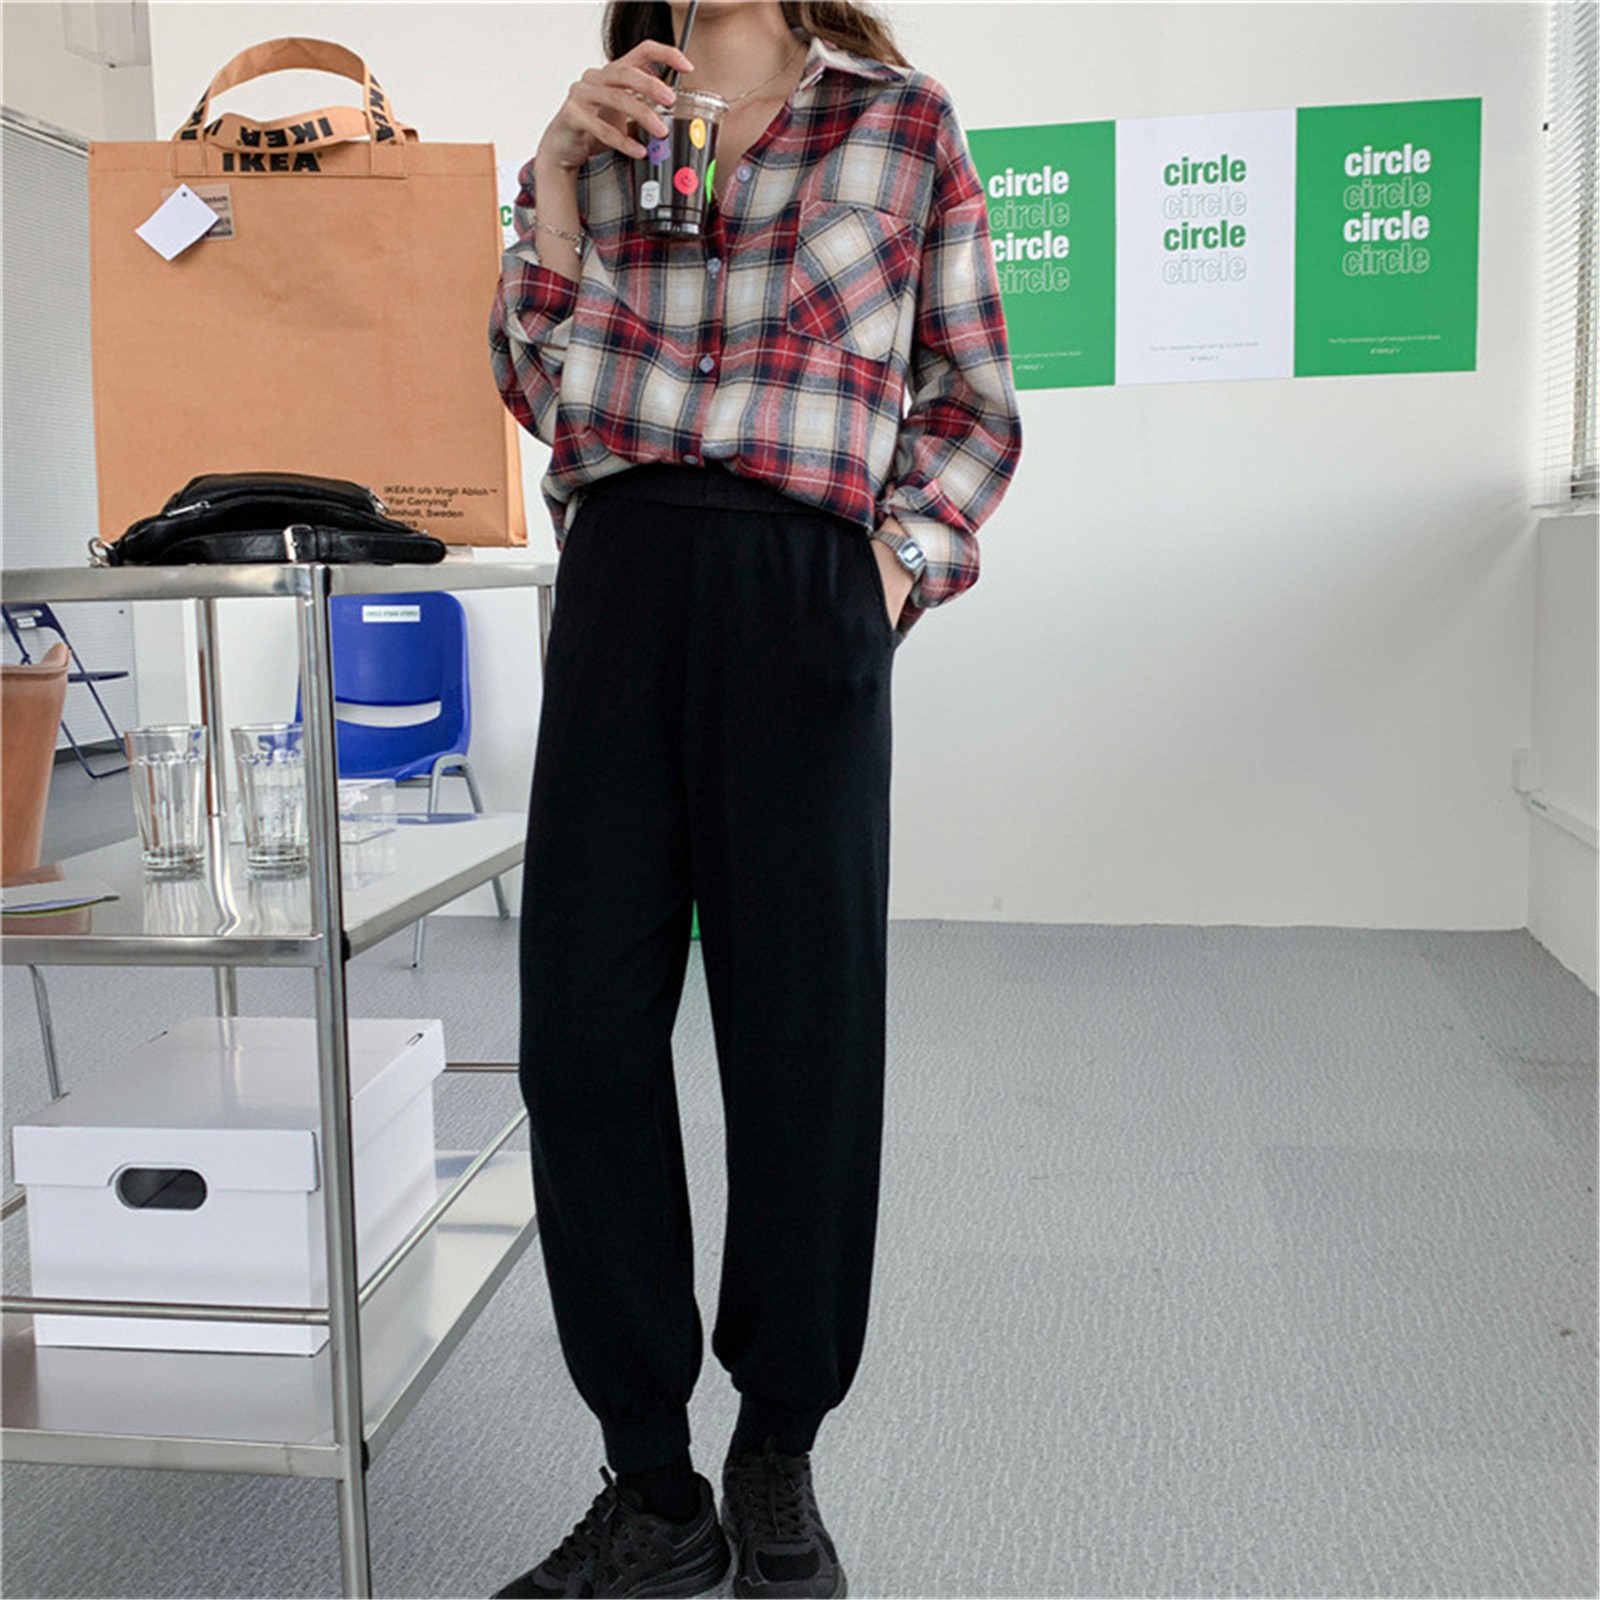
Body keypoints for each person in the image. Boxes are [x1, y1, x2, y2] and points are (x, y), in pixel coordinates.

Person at [488, 2, 1021, 1594]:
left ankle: (777, 1443)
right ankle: (653, 1487)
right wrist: (554, 182)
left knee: (802, 1044)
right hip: (623, 582)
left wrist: (887, 576)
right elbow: (535, 384)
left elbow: (970, 400)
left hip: (805, 588)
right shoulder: (600, 126)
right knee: (582, 1038)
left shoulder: (902, 122)